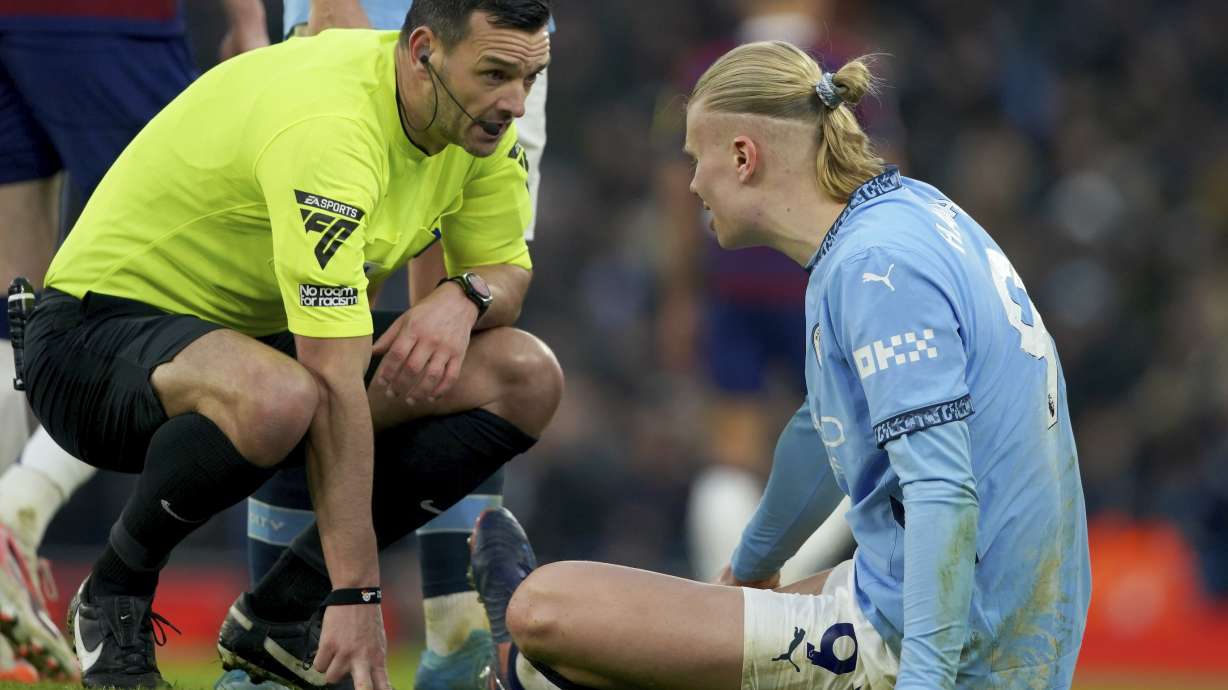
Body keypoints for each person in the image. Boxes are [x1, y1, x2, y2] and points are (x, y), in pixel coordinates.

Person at [468, 40, 1091, 690]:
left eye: (695, 159)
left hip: (955, 638)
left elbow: (943, 495)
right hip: (994, 608)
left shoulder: (875, 272)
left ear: (743, 156)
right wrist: (752, 565)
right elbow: (824, 434)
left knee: (545, 607)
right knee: (676, 638)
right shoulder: (904, 218)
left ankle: (523, 670)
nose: (690, 185)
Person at [17, 0, 560, 688]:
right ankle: (115, 594)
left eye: (530, 80)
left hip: (253, 348)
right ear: (423, 50)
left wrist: (464, 297)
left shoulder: (472, 123)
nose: (514, 102)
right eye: (496, 74)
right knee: (286, 395)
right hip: (90, 342)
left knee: (522, 374)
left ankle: (278, 614)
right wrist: (358, 595)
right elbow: (330, 383)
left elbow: (507, 268)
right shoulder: (333, 131)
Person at [215, 2, 552, 689]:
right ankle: (285, 634)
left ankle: (454, 636)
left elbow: (496, 283)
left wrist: (464, 299)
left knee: (469, 343)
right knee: (324, 347)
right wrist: (305, 32)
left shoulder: (512, 84)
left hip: (493, 47)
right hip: (369, 52)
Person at [0, 0, 268, 682]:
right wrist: (248, 18)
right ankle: (17, 509)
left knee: (14, 294)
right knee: (161, 275)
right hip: (108, 17)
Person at [651, 0, 903, 583]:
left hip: (732, 281)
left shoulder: (703, 68)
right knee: (847, 447)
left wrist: (681, 294)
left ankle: (729, 601)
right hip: (825, 279)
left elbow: (673, 190)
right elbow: (887, 175)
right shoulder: (843, 67)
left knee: (731, 449)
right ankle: (770, 591)